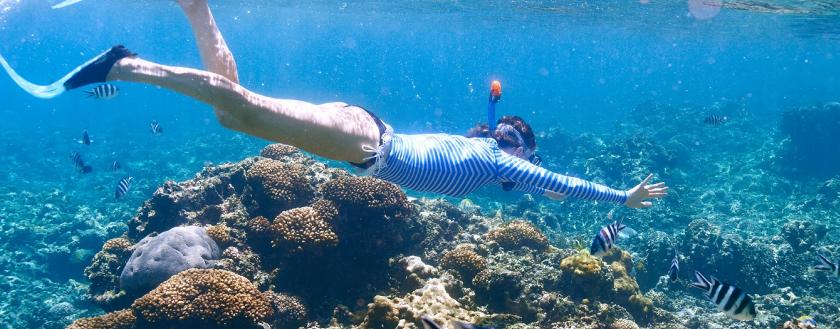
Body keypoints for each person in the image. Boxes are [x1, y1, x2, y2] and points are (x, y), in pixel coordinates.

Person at [0, 0, 668, 208]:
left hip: (366, 137)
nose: (522, 158)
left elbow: (501, 133)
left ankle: (194, 7)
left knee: (235, 114)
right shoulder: (503, 158)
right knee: (248, 111)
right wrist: (620, 197)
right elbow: (554, 178)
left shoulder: (488, 150)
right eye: (519, 145)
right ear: (512, 146)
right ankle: (125, 65)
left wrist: (500, 123)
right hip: (367, 144)